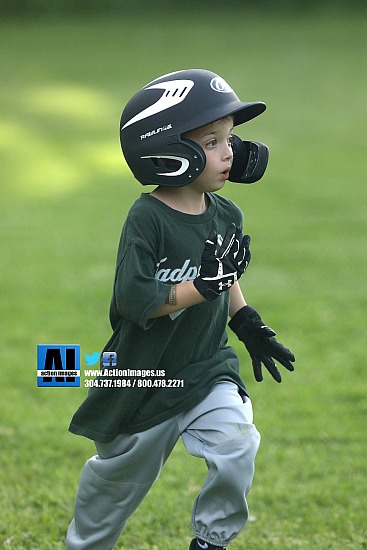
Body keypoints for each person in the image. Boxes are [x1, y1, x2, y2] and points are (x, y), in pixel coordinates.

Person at [66, 69, 295, 550]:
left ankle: (210, 540)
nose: (229, 152)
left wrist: (246, 321)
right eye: (212, 142)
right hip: (143, 378)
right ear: (167, 154)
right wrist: (204, 286)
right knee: (114, 489)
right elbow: (136, 301)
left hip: (205, 367)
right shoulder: (146, 218)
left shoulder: (226, 213)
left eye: (230, 138)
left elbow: (225, 275)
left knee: (238, 442)